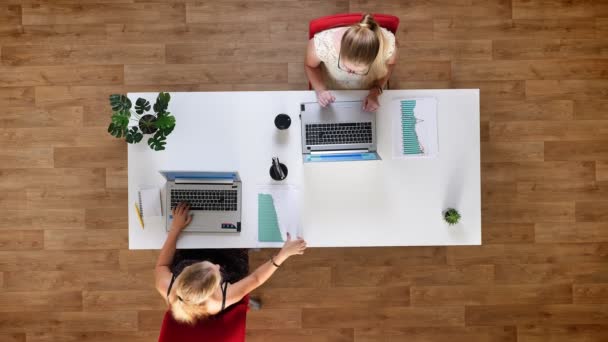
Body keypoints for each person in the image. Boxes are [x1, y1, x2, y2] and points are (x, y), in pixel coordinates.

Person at [155, 202, 307, 324]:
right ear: (215, 288)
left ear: (187, 269)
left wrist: (175, 227)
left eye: (210, 265)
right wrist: (283, 254)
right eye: (217, 271)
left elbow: (162, 265)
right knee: (245, 224)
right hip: (231, 261)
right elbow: (256, 279)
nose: (217, 265)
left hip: (192, 251)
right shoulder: (220, 299)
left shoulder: (164, 285)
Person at [304, 13, 398, 112]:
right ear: (341, 51)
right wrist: (320, 90)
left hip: (368, 89)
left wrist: (376, 90)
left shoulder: (388, 47)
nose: (349, 73)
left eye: (359, 71)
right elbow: (310, 66)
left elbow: (390, 65)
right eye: (346, 67)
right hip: (332, 89)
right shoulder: (322, 44)